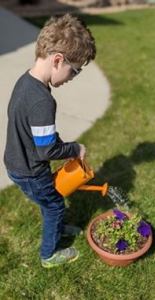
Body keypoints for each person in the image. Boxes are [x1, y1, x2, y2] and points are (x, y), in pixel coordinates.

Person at [4, 14, 96, 268]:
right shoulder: (43, 101)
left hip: (16, 164)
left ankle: (54, 229)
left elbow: (36, 136)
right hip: (31, 171)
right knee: (55, 205)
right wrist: (74, 148)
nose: (71, 78)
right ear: (58, 60)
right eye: (74, 70)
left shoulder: (25, 82)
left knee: (48, 201)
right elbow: (46, 150)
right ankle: (49, 254)